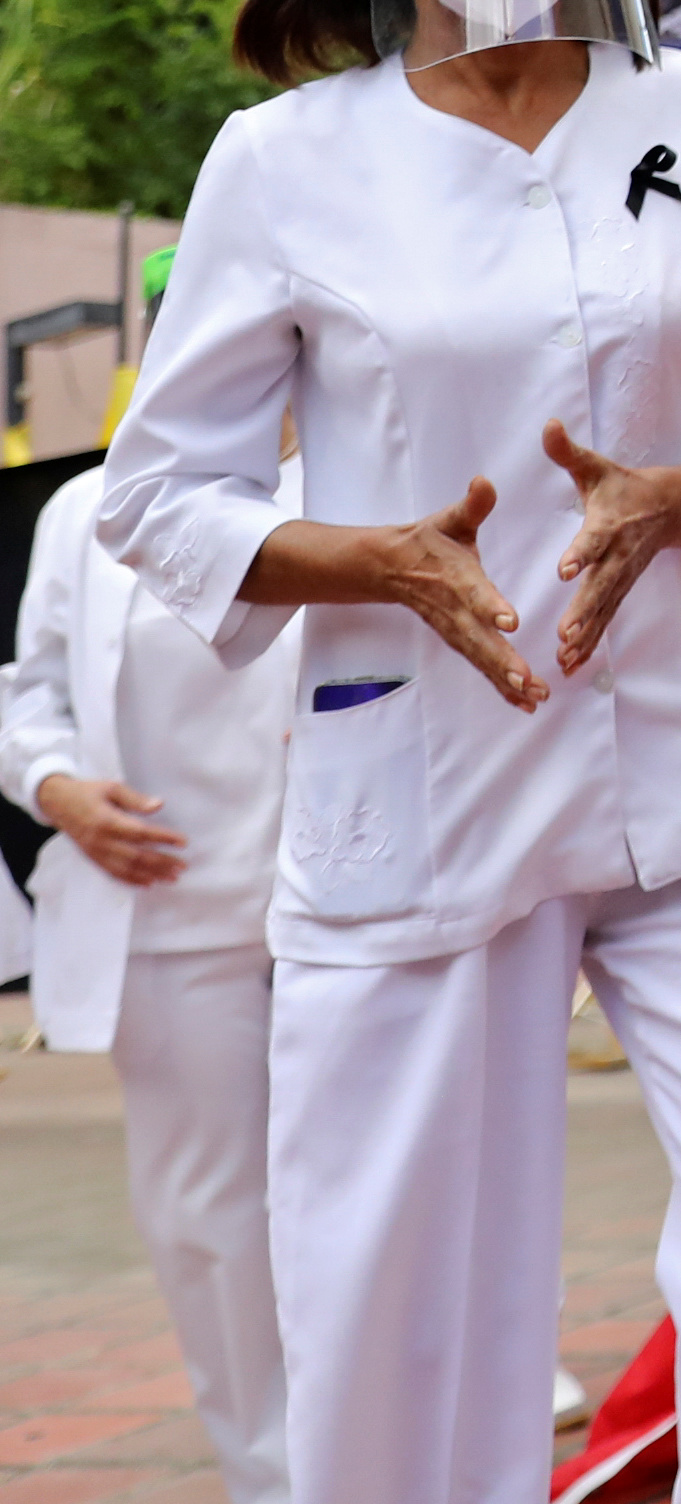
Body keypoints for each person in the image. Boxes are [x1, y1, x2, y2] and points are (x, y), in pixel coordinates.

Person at [95, 0, 681, 1503]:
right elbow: (157, 492)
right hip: (429, 784)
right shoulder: (286, 162)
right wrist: (376, 557)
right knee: (394, 1321)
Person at [6, 246, 300, 1504]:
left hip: (356, 909)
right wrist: (55, 785)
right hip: (173, 918)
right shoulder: (88, 508)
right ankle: (276, 1476)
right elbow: (28, 697)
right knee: (213, 1228)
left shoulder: (360, 479)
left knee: (393, 1196)